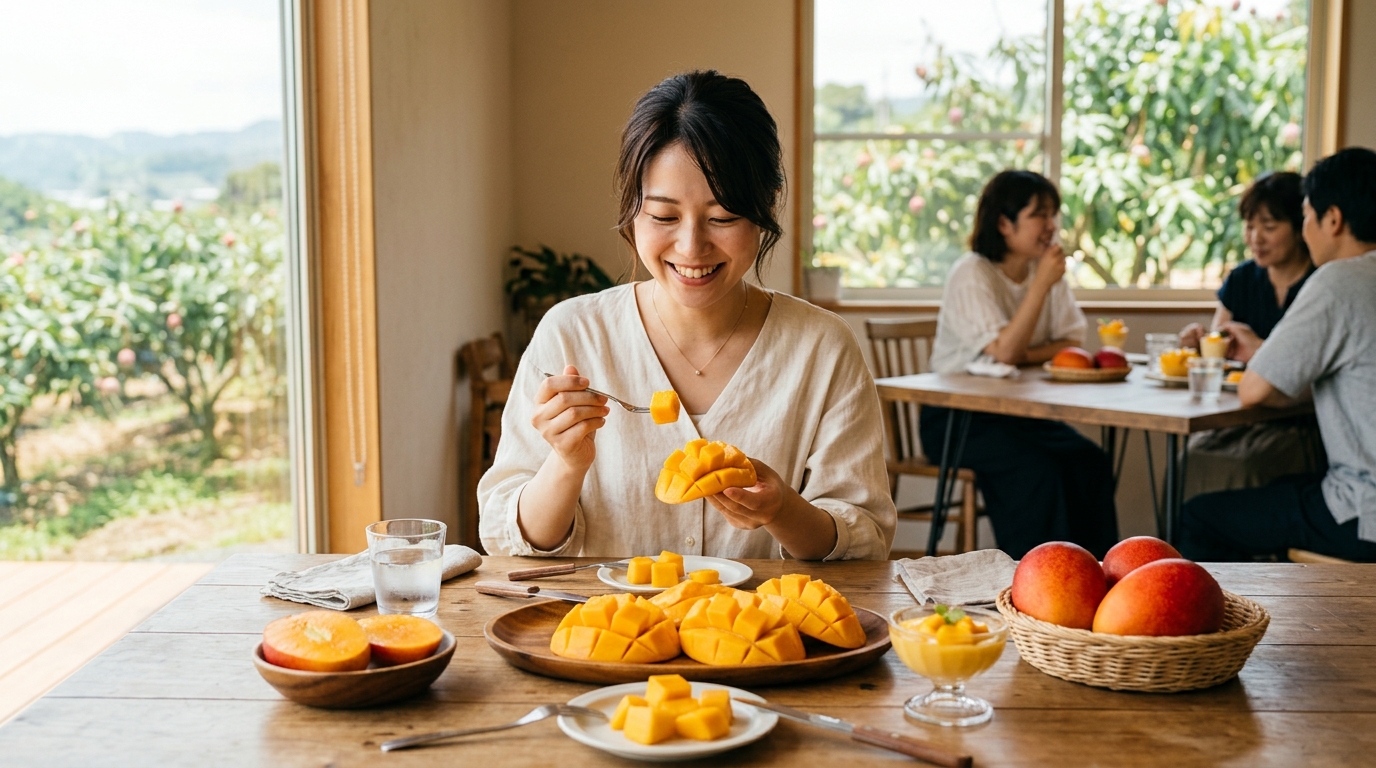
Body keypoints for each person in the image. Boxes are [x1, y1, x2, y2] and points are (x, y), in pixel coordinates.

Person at [478, 70, 895, 560]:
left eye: (723, 218)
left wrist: (783, 511)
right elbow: (506, 540)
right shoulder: (572, 335)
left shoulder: (822, 348)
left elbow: (864, 540)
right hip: (598, 628)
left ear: (765, 210)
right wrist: (567, 464)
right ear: (632, 212)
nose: (692, 247)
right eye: (663, 217)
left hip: (756, 633)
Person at [1179, 147, 1376, 562]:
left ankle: (1243, 625)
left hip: (1363, 511)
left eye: (1305, 216)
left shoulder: (1338, 280)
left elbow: (1253, 391)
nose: (1307, 230)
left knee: (1198, 518)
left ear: (1333, 219)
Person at [920, 170, 1119, 559]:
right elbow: (1007, 352)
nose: (1051, 225)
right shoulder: (972, 272)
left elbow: (1070, 341)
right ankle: (1040, 579)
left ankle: (1097, 574)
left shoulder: (1044, 269)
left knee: (1088, 462)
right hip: (957, 421)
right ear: (1003, 223)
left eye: (1053, 214)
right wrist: (1041, 286)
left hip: (1019, 412)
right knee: (1038, 471)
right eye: (1039, 214)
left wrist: (1020, 348)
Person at [1176, 173, 1325, 498]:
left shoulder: (1321, 284)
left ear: (1301, 226)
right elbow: (1217, 347)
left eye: (1269, 227)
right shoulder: (1242, 279)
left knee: (1246, 465)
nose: (1255, 238)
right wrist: (1200, 344)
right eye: (1249, 226)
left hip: (1299, 424)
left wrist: (1260, 349)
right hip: (1239, 419)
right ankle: (1178, 547)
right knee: (1191, 457)